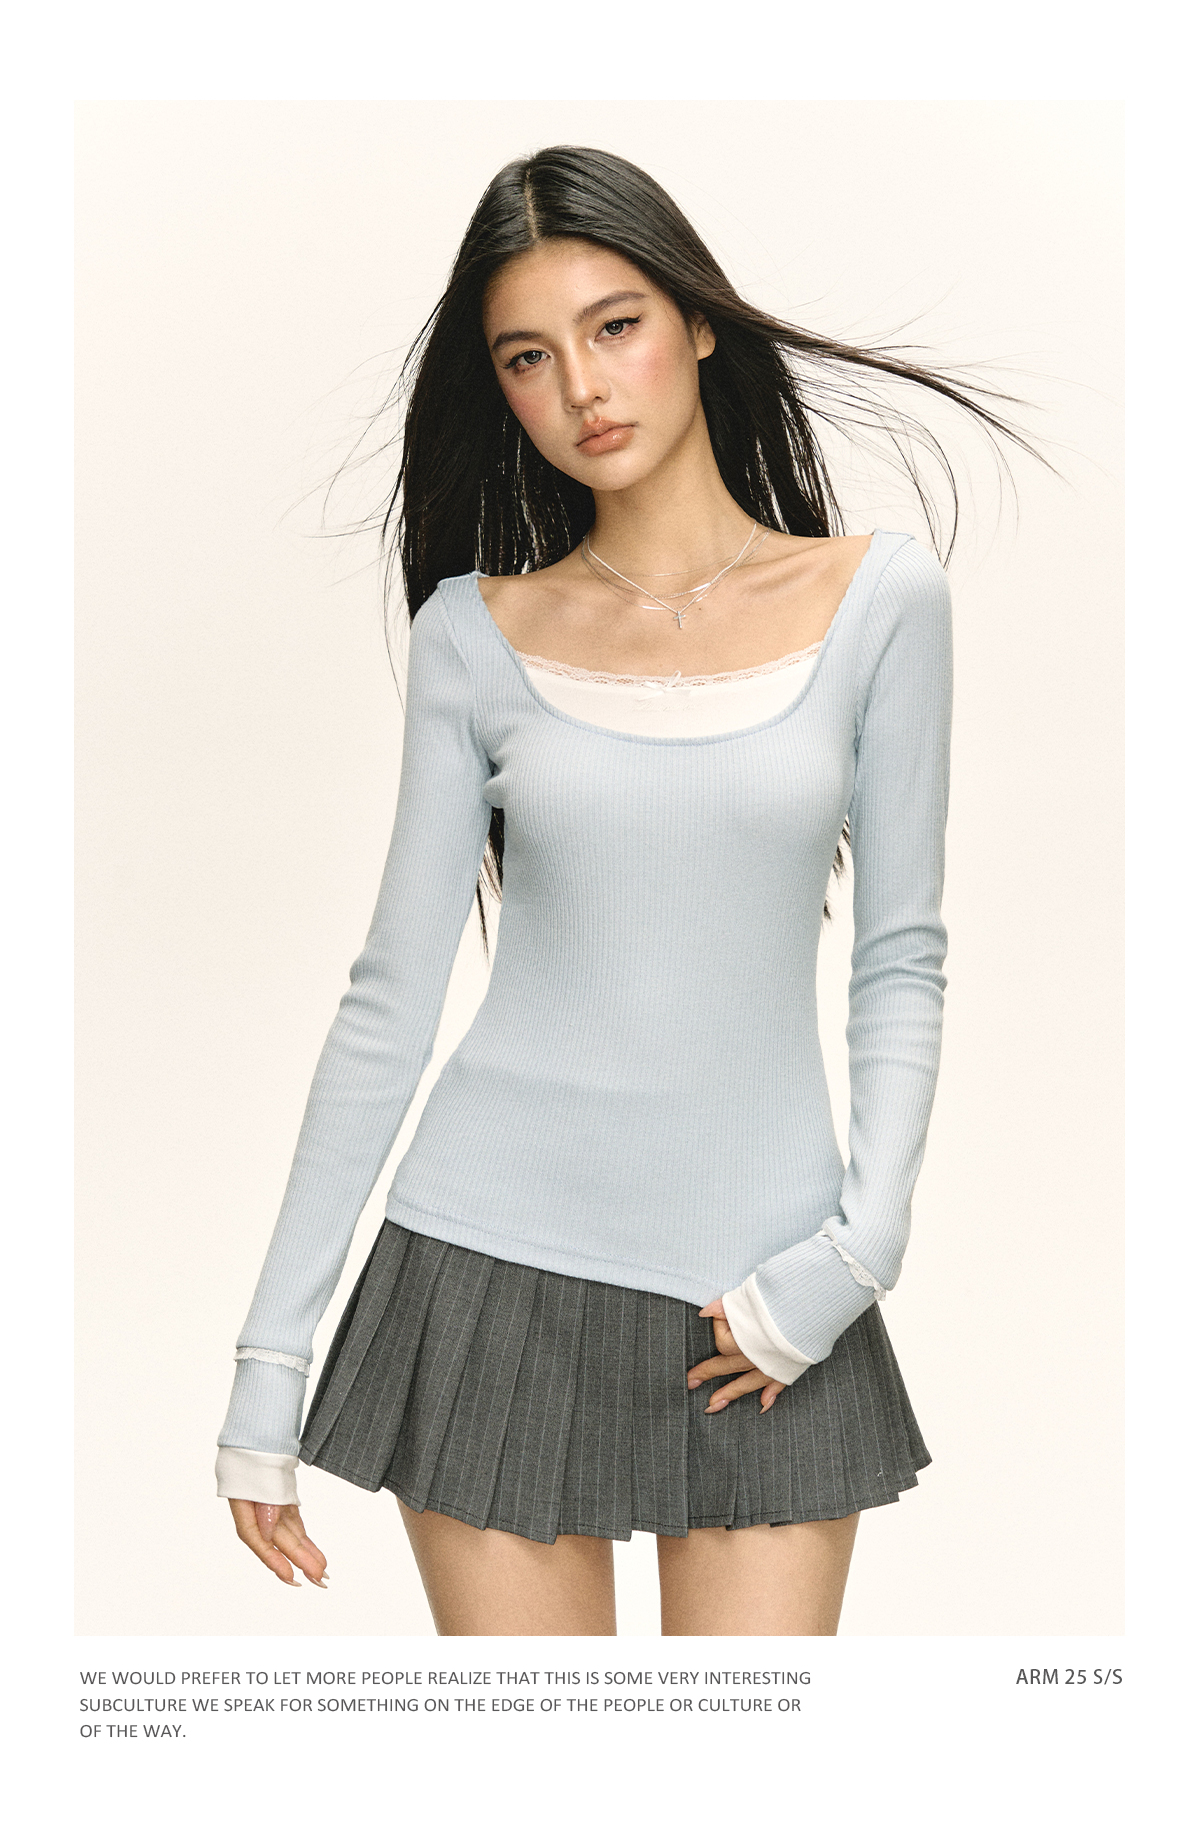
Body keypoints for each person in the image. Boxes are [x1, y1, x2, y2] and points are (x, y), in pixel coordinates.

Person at [216, 145, 1029, 1636]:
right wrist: (271, 1363)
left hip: (769, 1290)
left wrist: (857, 1255)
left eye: (615, 325)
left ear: (698, 322)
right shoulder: (472, 636)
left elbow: (901, 958)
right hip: (487, 1270)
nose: (583, 386)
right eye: (528, 356)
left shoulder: (881, 602)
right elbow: (389, 1003)